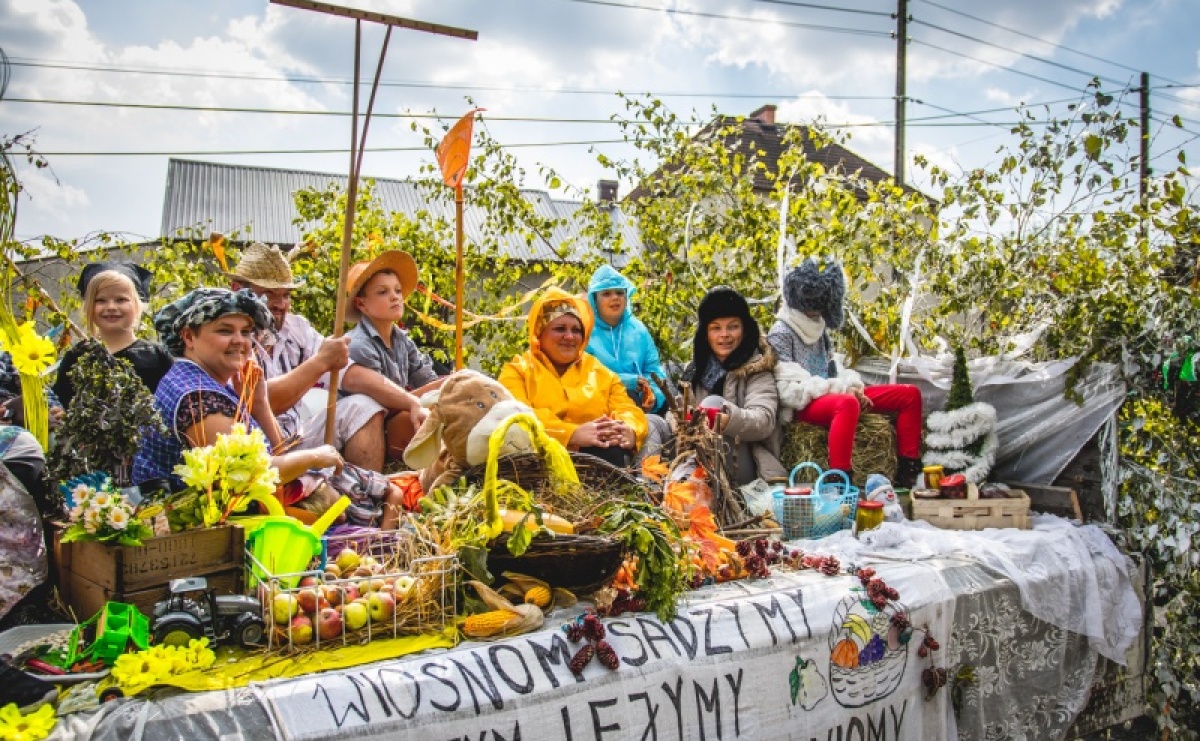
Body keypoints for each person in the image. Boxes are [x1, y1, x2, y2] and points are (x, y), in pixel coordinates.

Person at [226, 242, 425, 472]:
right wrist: (320, 362)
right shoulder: (229, 338)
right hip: (251, 451)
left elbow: (349, 373)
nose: (280, 304)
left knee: (363, 405)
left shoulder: (296, 327)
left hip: (295, 438)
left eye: (286, 295)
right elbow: (257, 401)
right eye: (270, 294)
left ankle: (368, 493)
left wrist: (412, 402)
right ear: (236, 290)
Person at [131, 288, 343, 489]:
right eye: (225, 331)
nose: (239, 341)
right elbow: (248, 476)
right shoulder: (197, 397)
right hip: (196, 524)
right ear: (188, 337)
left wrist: (259, 403)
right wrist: (315, 456)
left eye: (246, 332)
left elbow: (277, 456)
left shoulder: (205, 380)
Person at [767, 259, 923, 487]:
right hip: (804, 405)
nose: (814, 313)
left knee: (909, 395)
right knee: (848, 404)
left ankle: (909, 469)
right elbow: (788, 387)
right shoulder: (782, 332)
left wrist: (852, 386)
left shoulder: (820, 330)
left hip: (836, 394)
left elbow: (832, 369)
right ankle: (839, 477)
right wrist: (844, 391)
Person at [499, 287, 651, 468]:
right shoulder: (517, 371)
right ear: (540, 332)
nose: (569, 337)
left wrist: (628, 429)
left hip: (600, 462)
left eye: (577, 330)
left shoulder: (601, 373)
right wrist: (571, 434)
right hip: (537, 464)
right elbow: (516, 417)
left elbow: (627, 408)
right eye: (560, 328)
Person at [345, 250, 445, 461]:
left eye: (398, 291)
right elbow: (383, 407)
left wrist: (444, 385)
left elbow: (426, 377)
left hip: (400, 417)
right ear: (361, 304)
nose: (395, 297)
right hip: (372, 431)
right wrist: (442, 386)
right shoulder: (359, 345)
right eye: (383, 292)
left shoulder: (402, 340)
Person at [681, 286, 786, 486]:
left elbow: (763, 421)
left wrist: (725, 418)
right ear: (705, 334)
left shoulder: (757, 367)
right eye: (716, 328)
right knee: (653, 422)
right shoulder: (695, 371)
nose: (724, 335)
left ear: (744, 329)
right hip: (699, 456)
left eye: (733, 326)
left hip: (749, 463)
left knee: (713, 402)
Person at [52, 262, 173, 408]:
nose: (111, 307)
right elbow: (61, 404)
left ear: (137, 304)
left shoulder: (156, 356)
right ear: (89, 306)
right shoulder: (77, 357)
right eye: (100, 300)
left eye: (121, 300)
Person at [585, 265, 670, 414]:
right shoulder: (584, 332)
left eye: (619, 292)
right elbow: (583, 375)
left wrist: (653, 396)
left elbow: (653, 370)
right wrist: (625, 382)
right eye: (606, 293)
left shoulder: (639, 330)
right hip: (598, 408)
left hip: (640, 408)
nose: (615, 297)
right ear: (594, 300)